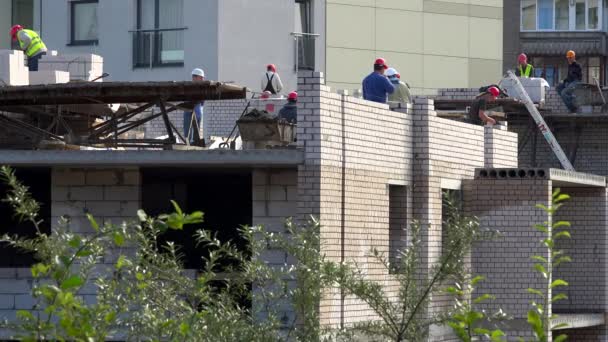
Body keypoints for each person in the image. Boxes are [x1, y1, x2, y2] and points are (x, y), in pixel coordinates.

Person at [183, 68, 205, 144]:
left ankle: (195, 142)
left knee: (196, 129)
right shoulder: (188, 87)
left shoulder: (203, 87)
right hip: (189, 108)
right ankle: (188, 142)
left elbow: (202, 101)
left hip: (197, 109)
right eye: (193, 76)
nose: (202, 79)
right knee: (187, 129)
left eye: (202, 78)